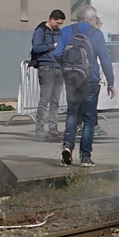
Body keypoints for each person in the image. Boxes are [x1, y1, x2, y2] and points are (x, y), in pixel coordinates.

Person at [54, 5, 115, 167]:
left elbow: (57, 53)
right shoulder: (96, 34)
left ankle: (67, 146)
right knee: (88, 118)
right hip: (91, 79)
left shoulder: (66, 31)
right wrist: (111, 82)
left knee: (72, 113)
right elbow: (105, 60)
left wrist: (67, 67)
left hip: (72, 79)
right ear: (91, 18)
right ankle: (85, 157)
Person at [29, 9, 67, 140]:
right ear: (51, 19)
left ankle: (53, 128)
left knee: (55, 101)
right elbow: (37, 48)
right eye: (57, 22)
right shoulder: (40, 31)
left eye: (61, 23)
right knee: (44, 100)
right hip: (46, 67)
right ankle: (39, 128)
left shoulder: (59, 32)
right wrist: (53, 45)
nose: (59, 25)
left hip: (59, 67)